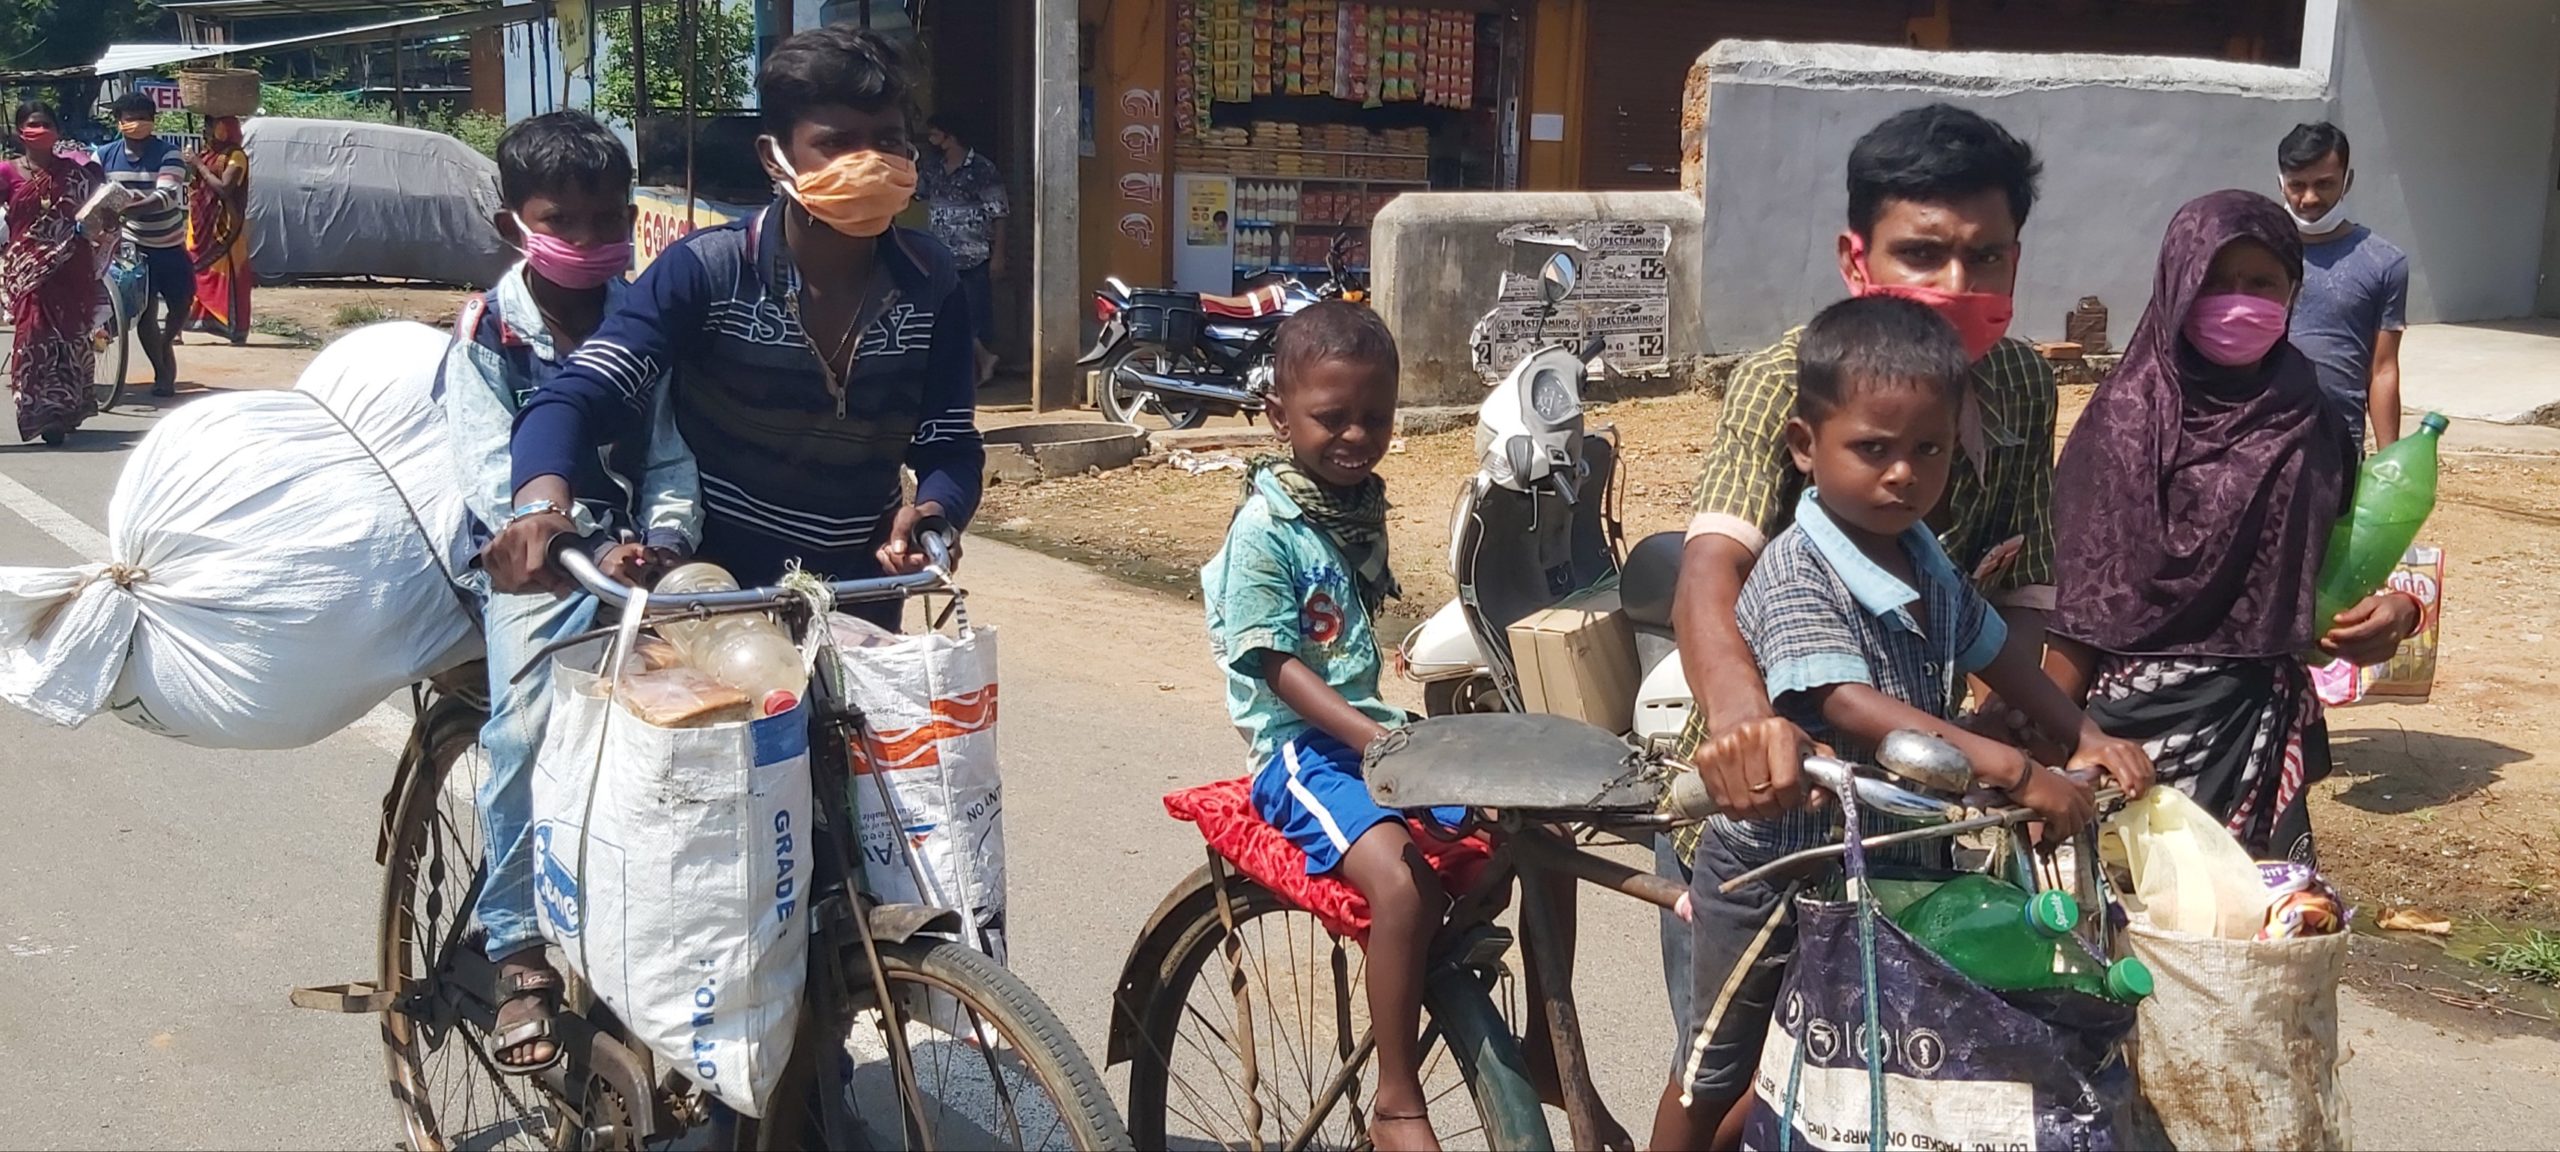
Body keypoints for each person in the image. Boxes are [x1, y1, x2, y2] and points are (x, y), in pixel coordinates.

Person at [1650, 104, 2059, 1150]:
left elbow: (2021, 595)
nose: (1957, 284)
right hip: (1774, 808)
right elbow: (1710, 570)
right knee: (1733, 1076)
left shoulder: (2020, 383)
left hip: (1911, 811)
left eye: (1985, 257)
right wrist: (1746, 728)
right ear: (1855, 257)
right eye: (1922, 253)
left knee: (1905, 1075)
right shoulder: (1789, 378)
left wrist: (2022, 737)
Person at [1663, 295, 2149, 1150]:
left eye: (1928, 450)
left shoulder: (1926, 559)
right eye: (1873, 449)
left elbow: (1997, 653)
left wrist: (2083, 735)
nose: (1902, 475)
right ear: (1805, 446)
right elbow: (1844, 702)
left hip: (1892, 857)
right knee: (1718, 1067)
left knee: (1861, 1055)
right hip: (1785, 863)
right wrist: (2014, 769)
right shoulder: (1798, 567)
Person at [483, 25, 983, 627]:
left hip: (863, 591)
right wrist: (540, 505)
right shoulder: (706, 271)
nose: (869, 162)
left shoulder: (932, 281)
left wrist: (935, 513)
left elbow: (948, 440)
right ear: (774, 157)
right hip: (712, 596)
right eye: (837, 143)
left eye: (887, 141)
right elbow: (576, 396)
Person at [2047, 190, 2422, 866]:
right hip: (2128, 741)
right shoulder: (2126, 420)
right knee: (2126, 922)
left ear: (2292, 292)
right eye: (2215, 283)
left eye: (2260, 283)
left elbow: (2341, 556)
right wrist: (2052, 742)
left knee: (2264, 922)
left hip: (2260, 726)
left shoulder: (2308, 414)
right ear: (2176, 287)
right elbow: (2080, 608)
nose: (2238, 302)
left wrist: (2399, 610)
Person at [441, 110, 701, 1074]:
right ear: (514, 224)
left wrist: (666, 539)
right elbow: (488, 472)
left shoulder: (644, 323)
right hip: (535, 566)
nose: (588, 240)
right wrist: (572, 538)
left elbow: (671, 455)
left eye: (606, 220)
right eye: (563, 221)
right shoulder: (488, 332)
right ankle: (515, 946)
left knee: (709, 719)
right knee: (524, 731)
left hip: (641, 561)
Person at [1203, 301, 1455, 1152]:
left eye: (1374, 418)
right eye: (1332, 417)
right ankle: (1396, 1099)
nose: (1355, 437)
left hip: (1366, 731)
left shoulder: (1353, 506)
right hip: (1301, 751)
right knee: (1403, 887)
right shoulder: (1266, 527)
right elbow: (1276, 664)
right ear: (1279, 416)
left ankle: (1531, 1040)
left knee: (1533, 820)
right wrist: (1369, 738)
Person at [2278, 121, 2409, 450]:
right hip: (2262, 440)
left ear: (2347, 181)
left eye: (2324, 184)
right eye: (2297, 185)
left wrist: (2389, 459)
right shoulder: (2258, 251)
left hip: (2338, 446)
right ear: (2280, 184)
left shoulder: (2384, 263)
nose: (2309, 198)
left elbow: (2382, 370)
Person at [2, 103, 103, 445]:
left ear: (57, 131)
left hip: (72, 266)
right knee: (32, 337)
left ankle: (63, 412)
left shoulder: (76, 173)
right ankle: (38, 411)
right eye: (33, 124)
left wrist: (105, 219)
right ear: (20, 132)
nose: (40, 130)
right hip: (27, 269)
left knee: (71, 338)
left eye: (46, 123)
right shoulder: (7, 172)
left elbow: (99, 211)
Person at [100, 91, 191, 397]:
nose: (137, 124)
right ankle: (162, 373)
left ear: (153, 120)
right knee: (146, 312)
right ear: (118, 121)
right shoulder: (104, 156)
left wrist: (123, 209)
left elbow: (165, 196)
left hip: (170, 244)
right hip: (133, 247)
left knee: (181, 304)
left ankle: (166, 342)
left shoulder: (169, 154)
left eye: (143, 118)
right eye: (130, 118)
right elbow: (91, 190)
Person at [918, 113, 1007, 384]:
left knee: (973, 314)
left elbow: (999, 213)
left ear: (950, 137)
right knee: (945, 314)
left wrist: (998, 255)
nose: (931, 140)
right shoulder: (933, 168)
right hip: (940, 255)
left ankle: (980, 364)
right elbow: (916, 193)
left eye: (935, 134)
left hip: (973, 256)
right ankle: (981, 360)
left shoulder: (982, 169)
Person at [184, 114, 251, 345]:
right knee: (191, 273)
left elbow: (224, 188)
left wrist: (198, 164)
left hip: (226, 229)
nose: (205, 130)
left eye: (210, 126)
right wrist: (192, 165)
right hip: (200, 226)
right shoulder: (206, 154)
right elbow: (196, 183)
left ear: (223, 129)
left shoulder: (236, 157)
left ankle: (235, 328)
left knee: (231, 276)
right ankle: (182, 326)